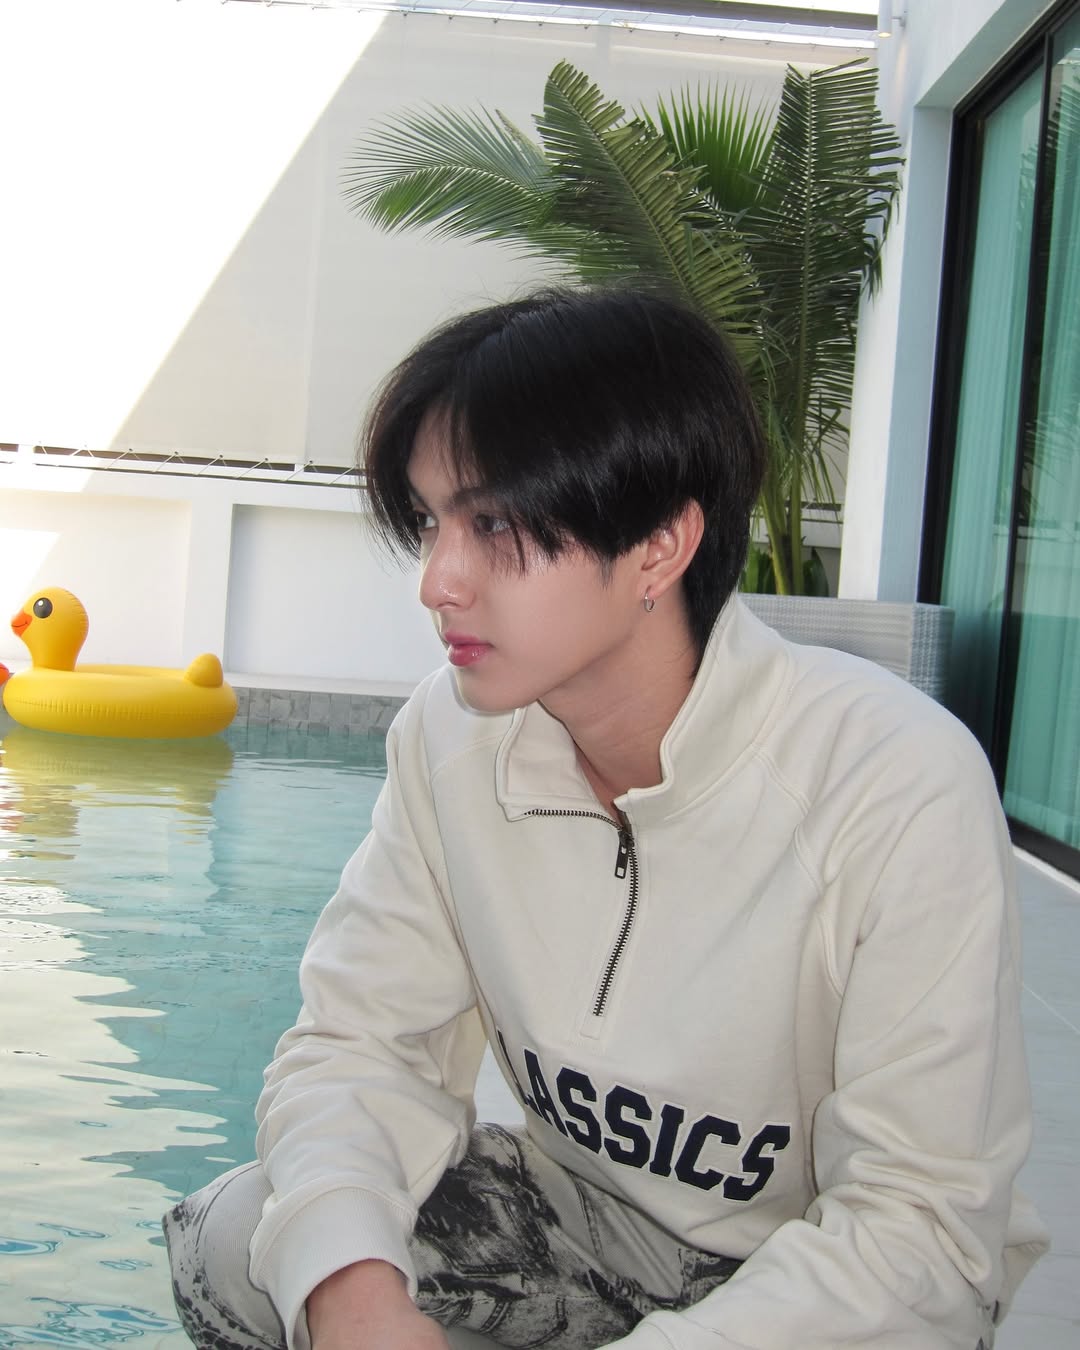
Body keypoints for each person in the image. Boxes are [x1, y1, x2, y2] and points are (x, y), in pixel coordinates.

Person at [164, 287, 1047, 1350]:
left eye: (493, 524)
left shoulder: (893, 783)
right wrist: (356, 1299)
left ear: (660, 548)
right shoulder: (451, 739)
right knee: (245, 1243)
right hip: (578, 1223)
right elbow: (358, 1047)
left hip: (809, 1271)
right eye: (434, 522)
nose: (438, 581)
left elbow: (921, 1234)